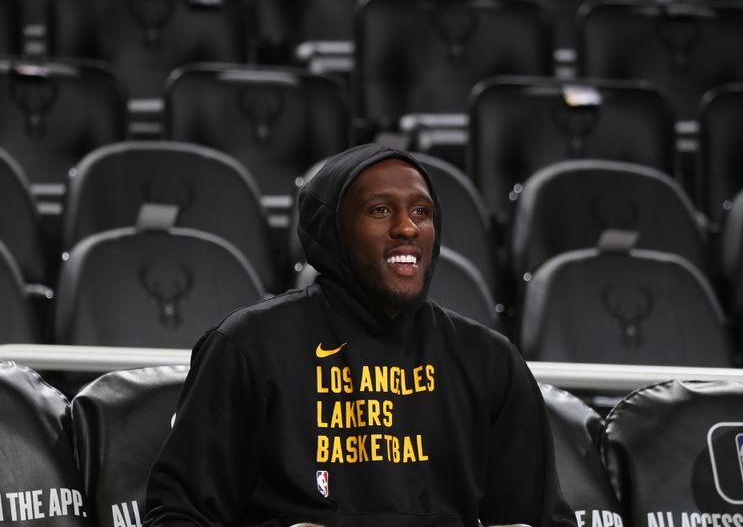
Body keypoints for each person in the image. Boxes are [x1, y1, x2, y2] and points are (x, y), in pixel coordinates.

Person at [144, 143, 575, 527]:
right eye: (380, 210)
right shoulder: (249, 347)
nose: (407, 228)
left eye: (421, 212)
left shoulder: (489, 361)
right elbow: (175, 515)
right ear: (332, 231)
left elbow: (541, 519)